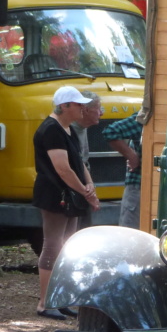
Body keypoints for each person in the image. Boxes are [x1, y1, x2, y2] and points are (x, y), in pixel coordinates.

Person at [33, 86, 100, 320]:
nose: (83, 108)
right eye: (78, 104)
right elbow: (62, 168)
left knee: (67, 246)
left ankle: (60, 298)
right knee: (52, 245)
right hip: (54, 195)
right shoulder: (51, 129)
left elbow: (78, 162)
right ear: (64, 106)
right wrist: (84, 190)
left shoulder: (68, 129)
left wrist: (89, 187)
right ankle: (44, 303)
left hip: (70, 194)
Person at [102, 111, 144, 230]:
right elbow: (111, 131)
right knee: (130, 231)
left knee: (129, 232)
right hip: (138, 186)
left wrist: (131, 156)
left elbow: (111, 131)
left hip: (139, 186)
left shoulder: (147, 117)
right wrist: (132, 156)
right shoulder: (146, 117)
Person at [71, 91, 101, 230]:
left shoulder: (83, 127)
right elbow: (72, 165)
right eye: (98, 108)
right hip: (74, 189)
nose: (101, 113)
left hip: (84, 186)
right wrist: (87, 192)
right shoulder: (69, 130)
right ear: (86, 110)